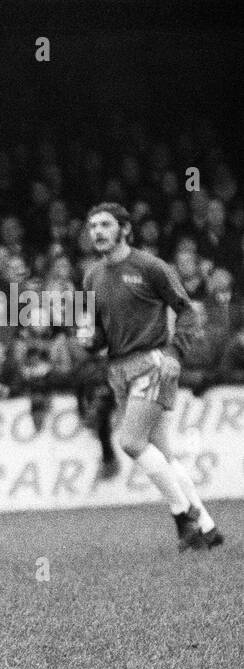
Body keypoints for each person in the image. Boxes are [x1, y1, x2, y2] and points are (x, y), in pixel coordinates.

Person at [81, 202, 222, 549]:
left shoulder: (150, 267)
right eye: (92, 226)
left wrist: (175, 353)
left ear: (125, 230)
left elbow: (188, 312)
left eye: (105, 225)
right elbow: (95, 331)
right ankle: (207, 526)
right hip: (119, 370)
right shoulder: (90, 277)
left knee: (130, 441)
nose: (97, 231)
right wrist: (88, 340)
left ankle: (183, 518)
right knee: (162, 454)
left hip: (153, 362)